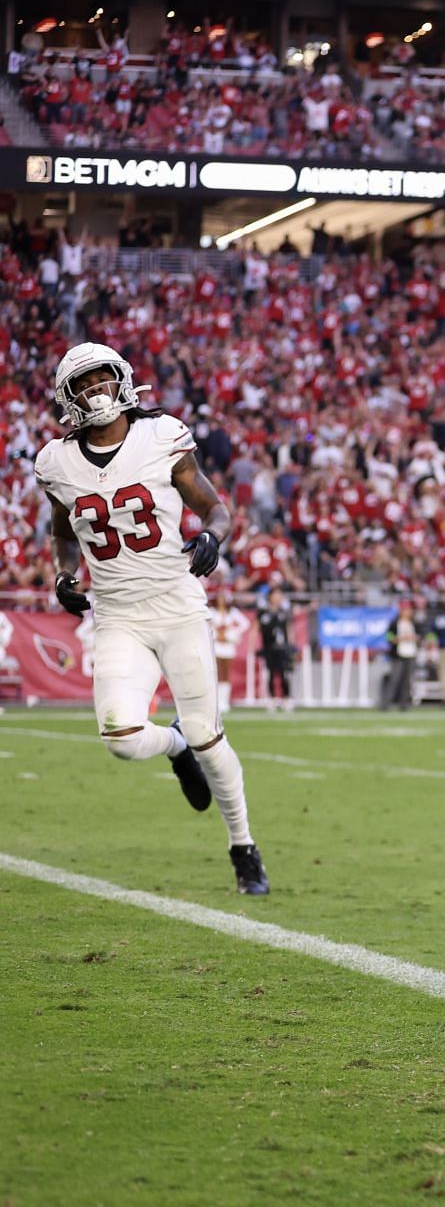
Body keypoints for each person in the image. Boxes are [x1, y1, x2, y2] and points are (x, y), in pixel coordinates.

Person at [33, 341, 268, 894]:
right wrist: (65, 575)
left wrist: (212, 535)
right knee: (121, 736)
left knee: (211, 734)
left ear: (122, 381)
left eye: (101, 379)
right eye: (83, 384)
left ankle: (243, 846)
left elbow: (215, 506)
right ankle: (174, 745)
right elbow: (64, 532)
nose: (95, 392)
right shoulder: (55, 461)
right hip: (117, 615)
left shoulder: (161, 435)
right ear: (68, 398)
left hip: (177, 604)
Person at [207, 588, 250, 716]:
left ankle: (224, 701)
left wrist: (232, 632)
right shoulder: (212, 612)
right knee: (215, 673)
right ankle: (215, 702)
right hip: (216, 644)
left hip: (227, 645)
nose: (221, 601)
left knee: (225, 673)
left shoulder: (232, 613)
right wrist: (215, 631)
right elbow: (204, 623)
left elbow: (245, 623)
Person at [257, 586, 294, 712]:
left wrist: (291, 645)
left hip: (282, 648)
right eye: (275, 594)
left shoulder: (283, 612)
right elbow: (256, 629)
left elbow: (289, 629)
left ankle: (287, 698)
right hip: (269, 648)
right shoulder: (264, 613)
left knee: (285, 673)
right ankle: (272, 699)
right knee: (271, 674)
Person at [383, 601, 420, 711]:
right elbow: (389, 637)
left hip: (411, 654)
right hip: (398, 655)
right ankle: (386, 703)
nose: (407, 613)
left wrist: (415, 638)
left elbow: (421, 636)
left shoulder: (414, 623)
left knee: (407, 681)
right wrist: (400, 638)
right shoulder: (394, 624)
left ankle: (404, 704)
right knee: (394, 679)